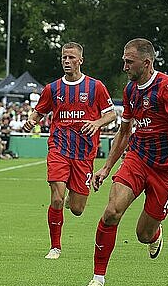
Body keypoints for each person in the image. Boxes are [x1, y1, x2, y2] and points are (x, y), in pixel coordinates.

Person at [77, 38, 168, 286]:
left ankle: (154, 236)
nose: (124, 66)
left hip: (167, 170)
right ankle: (98, 280)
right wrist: (106, 168)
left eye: (129, 62)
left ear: (147, 62)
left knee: (143, 233)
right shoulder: (131, 90)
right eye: (124, 60)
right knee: (111, 212)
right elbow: (124, 130)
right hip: (137, 159)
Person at [22, 42, 116, 260]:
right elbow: (39, 112)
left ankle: (69, 198)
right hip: (59, 148)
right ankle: (55, 246)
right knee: (56, 198)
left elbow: (111, 115)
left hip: (84, 153)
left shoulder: (95, 87)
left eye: (71, 58)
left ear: (80, 60)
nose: (67, 61)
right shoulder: (52, 89)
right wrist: (30, 121)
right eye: (64, 57)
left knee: (77, 209)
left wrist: (97, 123)